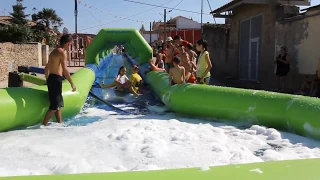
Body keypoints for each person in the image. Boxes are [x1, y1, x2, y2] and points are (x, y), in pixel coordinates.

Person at [42, 34, 76, 126]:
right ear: (68, 43)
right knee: (54, 106)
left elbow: (46, 68)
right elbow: (65, 69)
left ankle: (60, 124)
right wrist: (72, 83)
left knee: (58, 105)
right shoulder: (62, 52)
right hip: (56, 80)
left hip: (52, 78)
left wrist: (47, 79)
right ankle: (43, 125)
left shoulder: (53, 51)